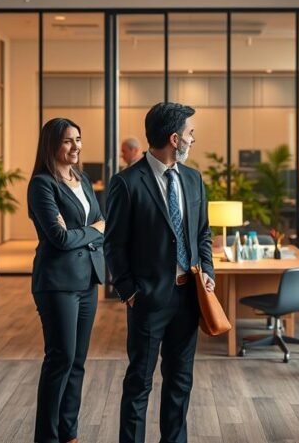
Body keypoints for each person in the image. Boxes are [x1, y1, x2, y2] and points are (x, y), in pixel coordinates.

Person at [105, 102, 216, 443]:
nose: (192, 139)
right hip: (148, 299)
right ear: (173, 139)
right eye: (189, 134)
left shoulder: (194, 180)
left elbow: (202, 234)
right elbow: (114, 245)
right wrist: (130, 291)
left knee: (180, 380)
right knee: (139, 382)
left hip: (188, 296)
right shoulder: (126, 183)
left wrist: (207, 271)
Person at [28, 118, 106, 443]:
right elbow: (58, 238)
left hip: (87, 279)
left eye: (78, 139)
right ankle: (47, 437)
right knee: (60, 359)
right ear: (52, 145)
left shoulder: (82, 178)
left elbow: (105, 223)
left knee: (77, 361)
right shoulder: (42, 185)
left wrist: (82, 233)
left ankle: (68, 434)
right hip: (57, 283)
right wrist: (91, 232)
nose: (76, 147)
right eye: (67, 141)